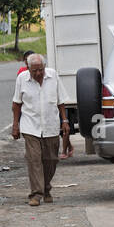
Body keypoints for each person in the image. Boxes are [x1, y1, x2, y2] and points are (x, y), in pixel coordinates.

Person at [11, 53, 69, 205]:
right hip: (30, 126)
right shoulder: (22, 79)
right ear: (28, 68)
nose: (37, 73)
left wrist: (65, 121)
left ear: (44, 67)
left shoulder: (53, 76)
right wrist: (15, 125)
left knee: (51, 160)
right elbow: (16, 104)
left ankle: (46, 188)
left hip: (51, 125)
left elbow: (60, 101)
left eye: (40, 70)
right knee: (34, 159)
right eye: (34, 71)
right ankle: (36, 194)